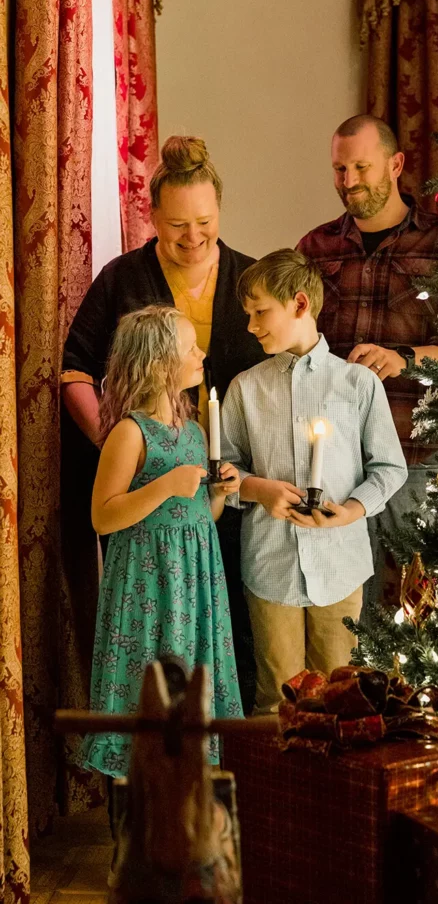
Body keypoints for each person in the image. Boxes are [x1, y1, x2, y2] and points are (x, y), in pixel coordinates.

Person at [61, 136, 265, 708]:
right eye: (177, 225)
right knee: (149, 645)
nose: (193, 236)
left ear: (220, 211)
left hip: (223, 485)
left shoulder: (252, 281)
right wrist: (121, 442)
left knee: (224, 630)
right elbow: (73, 370)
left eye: (205, 221)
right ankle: (144, 778)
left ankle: (216, 775)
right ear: (151, 216)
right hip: (145, 512)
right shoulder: (122, 278)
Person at [220, 249, 407, 713]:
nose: (251, 325)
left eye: (260, 312)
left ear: (300, 304)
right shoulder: (246, 387)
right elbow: (223, 466)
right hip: (269, 564)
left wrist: (351, 510)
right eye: (248, 314)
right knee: (277, 701)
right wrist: (256, 488)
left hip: (340, 567)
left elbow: (389, 467)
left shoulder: (358, 385)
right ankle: (277, 786)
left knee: (345, 699)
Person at [296, 114, 438, 607]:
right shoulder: (313, 249)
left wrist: (404, 357)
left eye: (361, 167)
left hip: (415, 459)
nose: (349, 182)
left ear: (395, 165)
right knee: (344, 616)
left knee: (413, 612)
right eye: (340, 169)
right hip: (336, 464)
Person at [82, 305, 243, 776]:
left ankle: (189, 782)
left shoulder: (194, 431)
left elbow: (200, 517)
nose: (202, 354)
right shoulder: (130, 433)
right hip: (146, 580)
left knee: (191, 672)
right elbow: (102, 517)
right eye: (190, 348)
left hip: (195, 578)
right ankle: (142, 792)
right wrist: (165, 485)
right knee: (148, 673)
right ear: (157, 365)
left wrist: (218, 493)